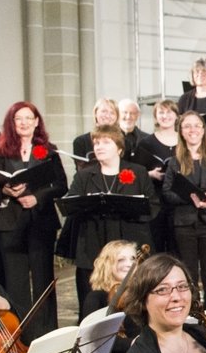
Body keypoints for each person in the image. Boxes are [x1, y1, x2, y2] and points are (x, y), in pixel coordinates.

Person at [0, 101, 66, 340]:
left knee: (43, 278)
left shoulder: (48, 150)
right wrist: (5, 191)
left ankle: (46, 332)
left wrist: (37, 198)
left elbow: (61, 185)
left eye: (28, 118)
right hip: (9, 222)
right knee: (15, 280)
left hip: (40, 222)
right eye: (18, 118)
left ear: (37, 121)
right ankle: (18, 333)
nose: (24, 123)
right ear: (12, 122)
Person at [65, 125, 155, 308]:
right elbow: (69, 205)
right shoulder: (84, 176)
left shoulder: (138, 172)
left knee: (134, 300)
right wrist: (87, 203)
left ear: (119, 149)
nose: (99, 147)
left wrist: (130, 205)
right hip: (93, 243)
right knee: (92, 299)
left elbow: (153, 206)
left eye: (106, 142)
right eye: (96, 143)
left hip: (129, 238)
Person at [162, 111, 206, 307]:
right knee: (188, 275)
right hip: (184, 224)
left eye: (197, 126)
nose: (193, 130)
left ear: (203, 130)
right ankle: (192, 317)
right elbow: (166, 192)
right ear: (181, 131)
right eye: (187, 126)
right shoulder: (175, 161)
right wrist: (189, 199)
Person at [79, 239, 140, 353]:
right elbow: (94, 338)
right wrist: (132, 343)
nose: (129, 264)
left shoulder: (140, 294)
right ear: (107, 264)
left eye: (133, 258)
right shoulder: (96, 297)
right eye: (121, 260)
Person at [132, 99, 178, 254]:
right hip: (156, 202)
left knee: (176, 248)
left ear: (177, 116)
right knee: (156, 247)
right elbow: (135, 173)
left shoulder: (185, 140)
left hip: (178, 201)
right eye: (161, 112)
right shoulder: (146, 143)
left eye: (169, 112)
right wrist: (150, 174)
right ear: (156, 117)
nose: (165, 116)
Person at [72, 98, 119, 162]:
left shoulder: (124, 141)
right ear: (95, 114)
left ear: (117, 117)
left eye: (112, 113)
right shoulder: (81, 142)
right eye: (104, 111)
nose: (108, 116)